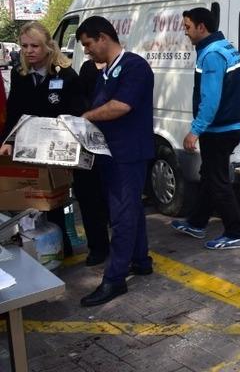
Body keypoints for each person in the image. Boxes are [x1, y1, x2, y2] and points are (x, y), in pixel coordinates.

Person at [77, 16, 155, 307]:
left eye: (88, 44)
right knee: (131, 208)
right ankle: (141, 261)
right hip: (111, 154)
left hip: (128, 154)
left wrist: (85, 117)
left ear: (103, 38)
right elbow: (100, 103)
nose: (86, 51)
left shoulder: (134, 66)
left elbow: (120, 106)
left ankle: (115, 278)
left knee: (122, 216)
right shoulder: (107, 71)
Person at [0, 21, 88, 258]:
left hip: (56, 149)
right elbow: (14, 111)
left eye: (35, 46)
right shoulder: (21, 75)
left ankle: (61, 249)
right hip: (27, 147)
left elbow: (78, 113)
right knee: (28, 201)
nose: (29, 51)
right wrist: (6, 141)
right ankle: (33, 249)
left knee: (55, 201)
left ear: (48, 46)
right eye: (25, 46)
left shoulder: (67, 75)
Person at [170, 8, 240, 250]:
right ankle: (196, 222)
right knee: (208, 176)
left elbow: (210, 99)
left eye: (188, 27)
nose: (186, 32)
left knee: (218, 181)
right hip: (227, 126)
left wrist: (195, 130)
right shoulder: (225, 47)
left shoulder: (211, 55)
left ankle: (235, 233)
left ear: (201, 27)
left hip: (219, 129)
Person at [72, 52, 111, 266]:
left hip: (111, 147)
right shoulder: (87, 70)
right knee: (89, 201)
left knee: (111, 202)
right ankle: (98, 247)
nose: (87, 49)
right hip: (87, 146)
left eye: (89, 44)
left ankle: (120, 248)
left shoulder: (122, 68)